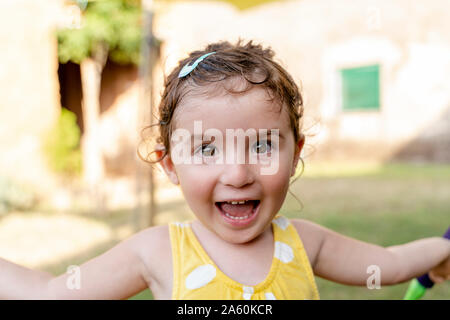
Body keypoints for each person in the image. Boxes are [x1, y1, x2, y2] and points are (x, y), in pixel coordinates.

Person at [0, 40, 449, 300]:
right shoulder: (157, 252)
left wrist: (440, 248)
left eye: (262, 145)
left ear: (295, 155)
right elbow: (51, 294)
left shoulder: (305, 242)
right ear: (171, 165)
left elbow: (388, 263)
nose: (237, 172)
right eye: (206, 148)